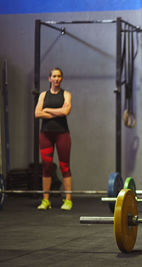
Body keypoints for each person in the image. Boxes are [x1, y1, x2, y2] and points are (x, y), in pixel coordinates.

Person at [35, 67, 73, 211]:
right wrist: (58, 112)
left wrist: (48, 110)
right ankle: (46, 201)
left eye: (59, 76)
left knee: (65, 166)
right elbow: (37, 114)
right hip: (45, 134)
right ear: (50, 78)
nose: (56, 79)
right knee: (46, 167)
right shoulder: (43, 95)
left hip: (62, 134)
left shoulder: (66, 94)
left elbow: (66, 111)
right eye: (54, 76)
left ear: (61, 79)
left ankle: (68, 201)